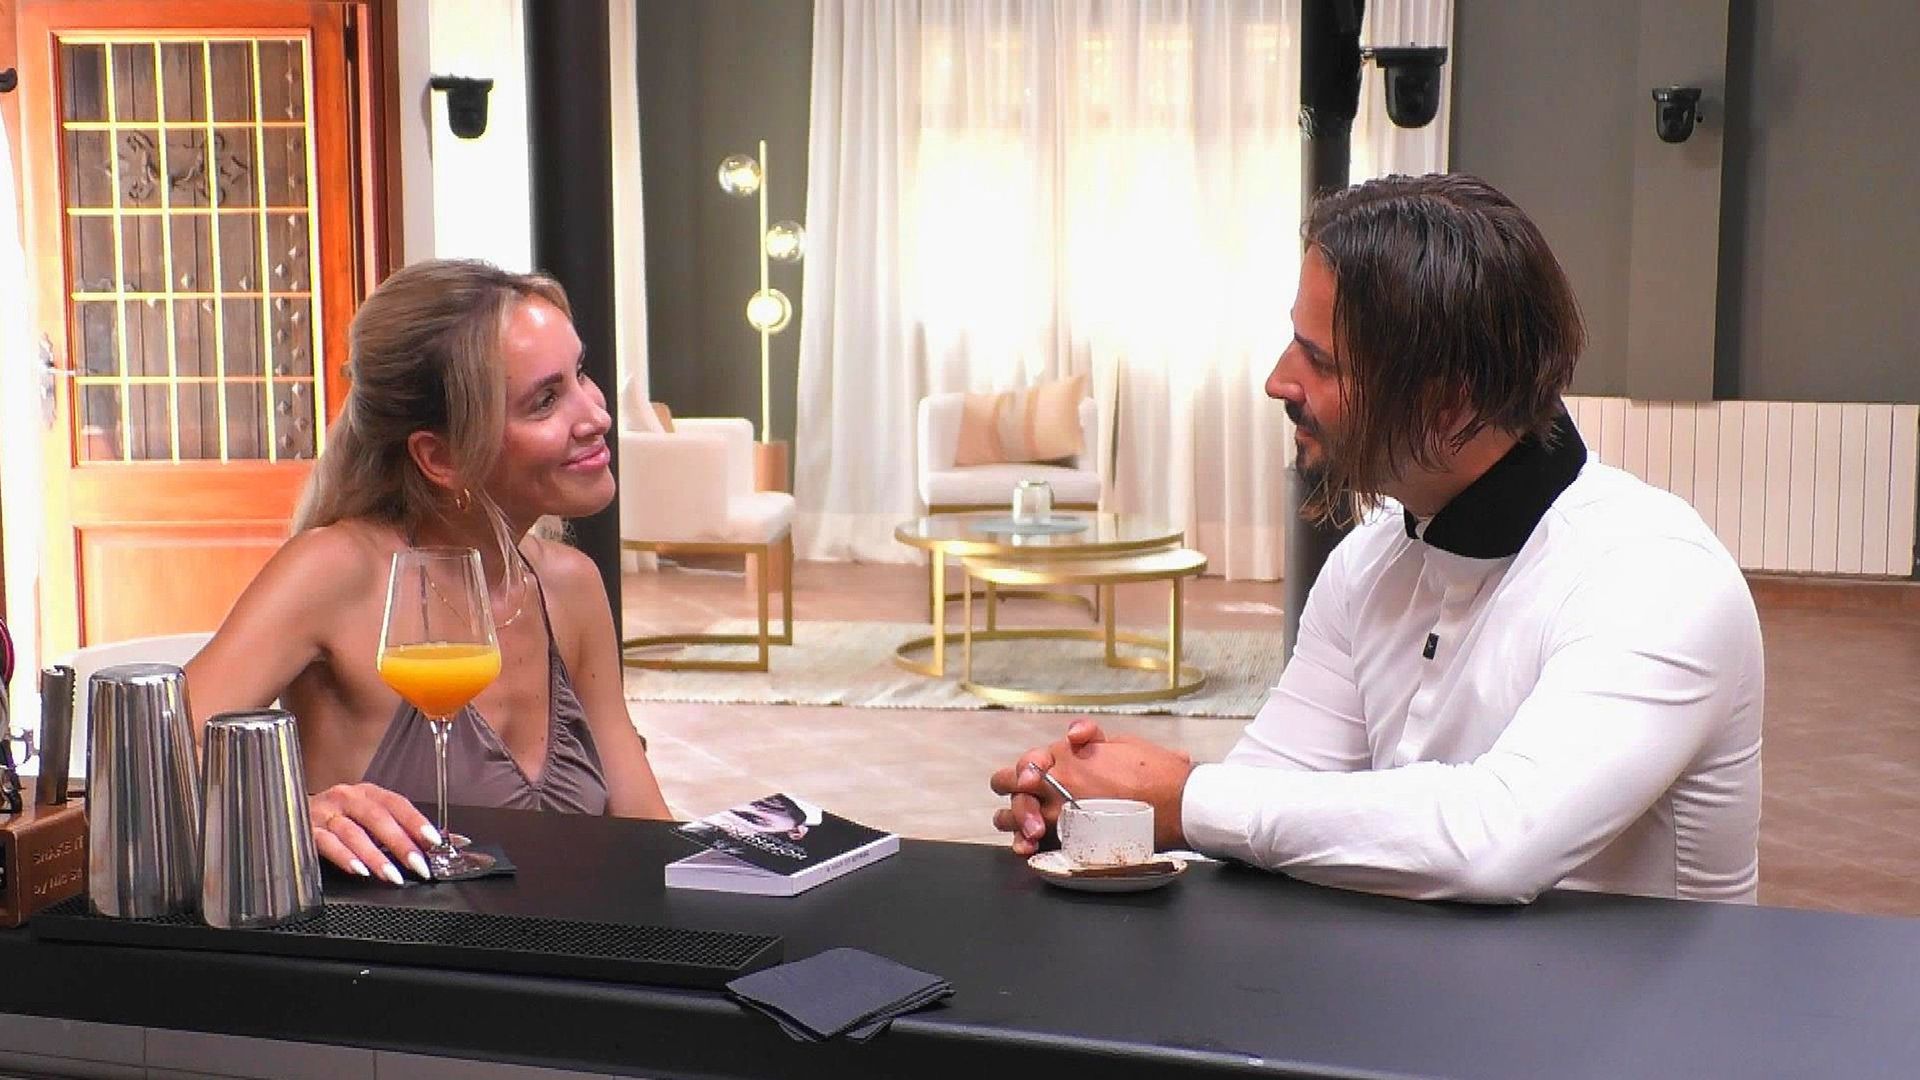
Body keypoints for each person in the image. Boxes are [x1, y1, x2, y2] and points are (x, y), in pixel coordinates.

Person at [990, 174, 1763, 904]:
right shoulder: (1369, 563)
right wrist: (1103, 809)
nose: (1279, 381)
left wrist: (1181, 798)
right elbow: (1262, 803)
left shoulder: (1656, 579)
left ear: (1449, 405)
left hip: (1637, 1009)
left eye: (1320, 361)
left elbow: (1495, 841)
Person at [188, 259, 672, 885]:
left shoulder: (571, 586)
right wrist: (293, 814)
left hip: (558, 944)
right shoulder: (336, 571)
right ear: (440, 457)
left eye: (580, 373)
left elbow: (648, 833)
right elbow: (148, 771)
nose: (597, 416)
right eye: (546, 400)